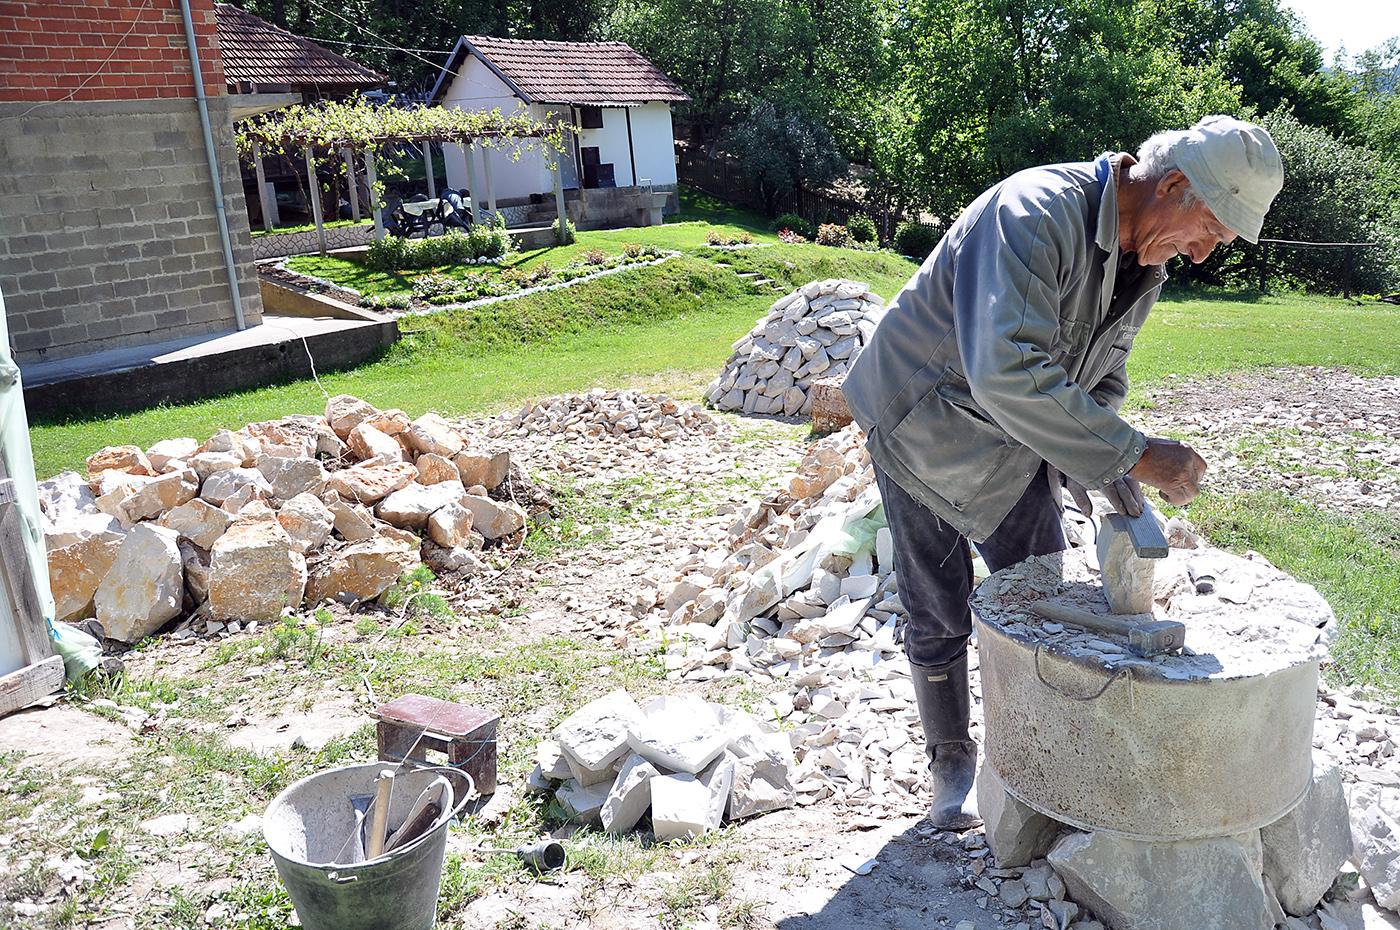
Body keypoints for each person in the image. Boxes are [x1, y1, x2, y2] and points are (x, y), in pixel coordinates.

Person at [842, 116, 1285, 830]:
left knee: (1040, 591)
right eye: (1211, 231)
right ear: (1172, 186)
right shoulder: (1035, 212)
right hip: (922, 419)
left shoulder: (1147, 265)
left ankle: (1042, 755)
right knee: (938, 602)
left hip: (1013, 439)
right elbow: (1006, 366)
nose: (1204, 256)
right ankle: (951, 759)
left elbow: (1101, 377)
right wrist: (1136, 452)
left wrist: (1115, 477)